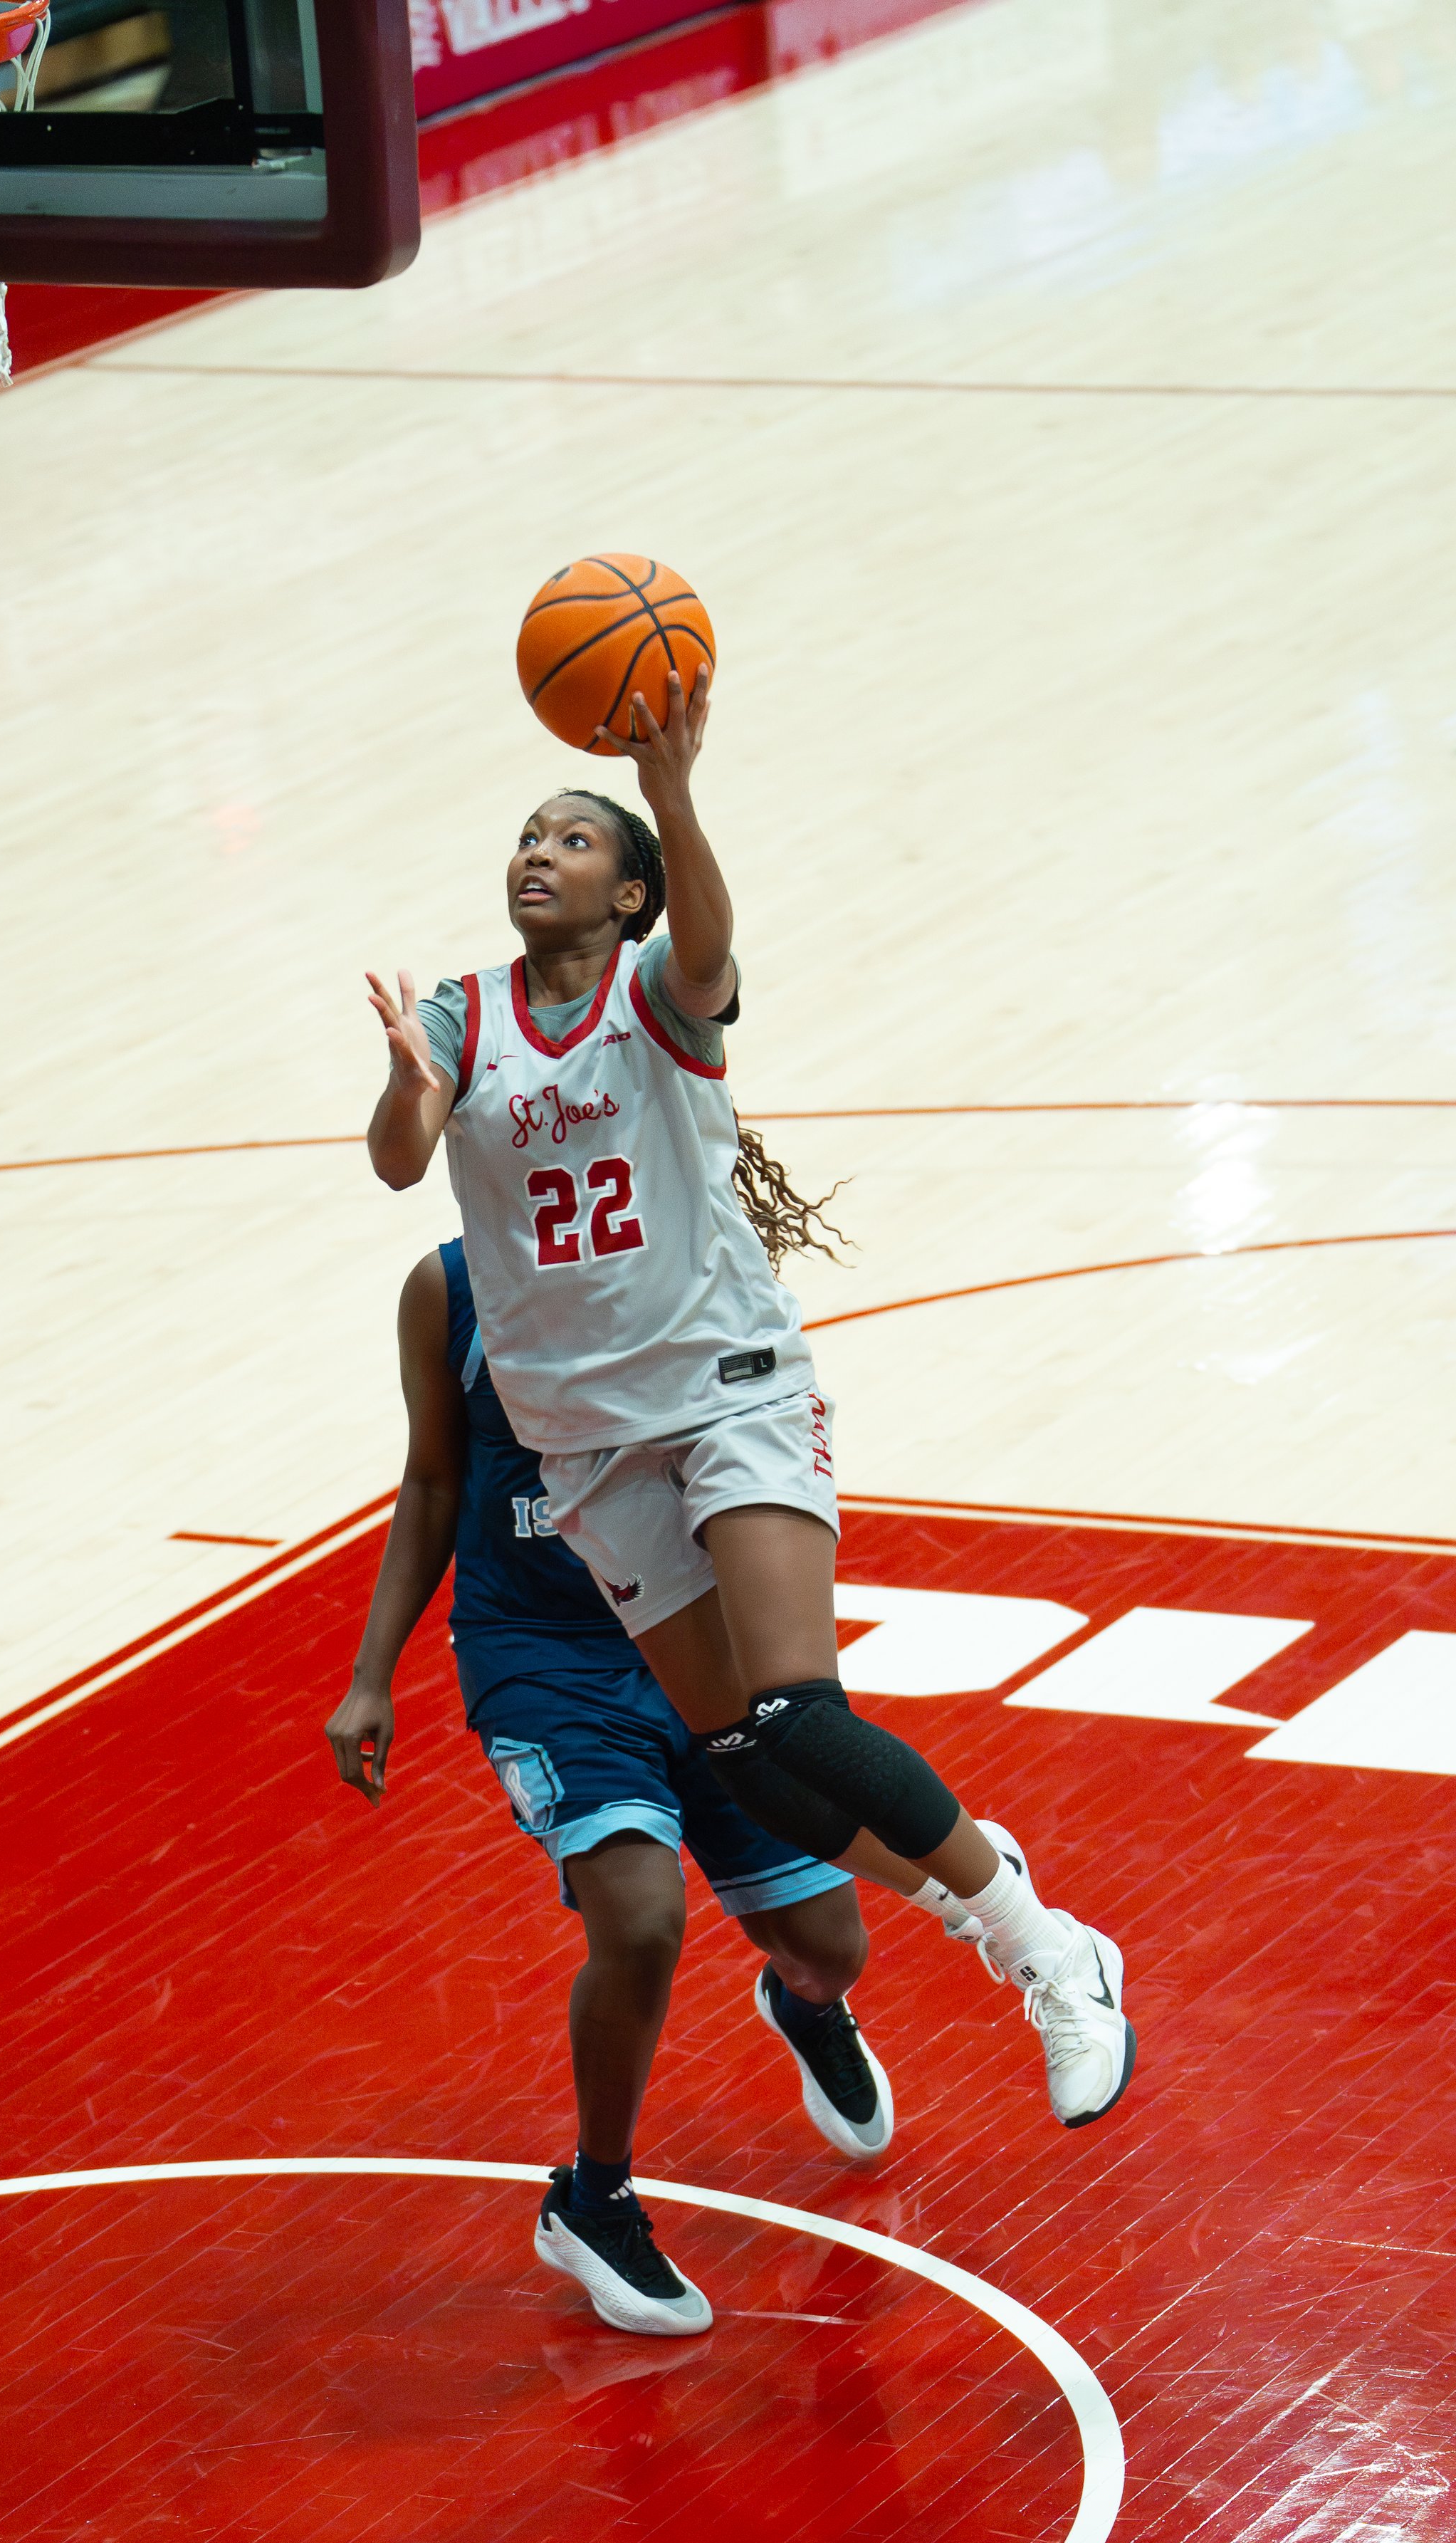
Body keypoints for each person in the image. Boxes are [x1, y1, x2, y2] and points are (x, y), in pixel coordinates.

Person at [362, 664, 1135, 2137]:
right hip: (585, 1444)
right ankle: (996, 1915)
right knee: (740, 1753)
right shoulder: (461, 1016)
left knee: (792, 1711)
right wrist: (406, 1086)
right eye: (528, 832)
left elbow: (711, 947)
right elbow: (403, 1163)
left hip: (725, 1390)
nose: (539, 850)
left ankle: (1042, 1950)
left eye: (574, 840)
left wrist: (669, 791)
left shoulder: (660, 994)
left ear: (630, 895)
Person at [327, 1235, 911, 2339]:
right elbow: (434, 1479)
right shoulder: (448, 1287)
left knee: (833, 1946)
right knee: (640, 1920)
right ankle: (592, 2200)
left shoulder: (679, 1246)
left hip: (692, 1630)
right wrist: (372, 1674)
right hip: (543, 1655)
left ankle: (805, 1999)